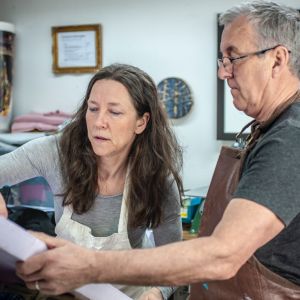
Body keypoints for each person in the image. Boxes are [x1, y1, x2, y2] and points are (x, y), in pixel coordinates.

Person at [12, 1, 300, 298]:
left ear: (277, 60)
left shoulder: (290, 138)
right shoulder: (268, 129)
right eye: (93, 109)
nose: (223, 73)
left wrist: (89, 266)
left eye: (234, 58)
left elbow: (222, 255)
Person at [0, 63, 184, 300]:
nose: (99, 122)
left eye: (114, 112)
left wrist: (157, 292)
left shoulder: (157, 179)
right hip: (65, 293)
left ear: (141, 122)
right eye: (93, 109)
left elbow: (173, 260)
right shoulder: (55, 152)